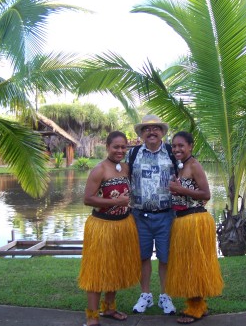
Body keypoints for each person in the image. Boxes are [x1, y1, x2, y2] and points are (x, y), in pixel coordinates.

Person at [78, 131, 141, 326]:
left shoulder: (126, 168)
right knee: (96, 271)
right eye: (116, 147)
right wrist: (115, 200)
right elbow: (88, 199)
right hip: (102, 226)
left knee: (114, 268)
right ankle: (92, 316)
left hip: (123, 225)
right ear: (107, 147)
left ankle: (109, 308)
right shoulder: (99, 170)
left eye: (123, 147)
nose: (120, 150)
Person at [167, 131, 224, 324]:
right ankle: (198, 304)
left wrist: (181, 189)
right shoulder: (181, 166)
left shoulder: (194, 165)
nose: (177, 149)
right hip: (184, 220)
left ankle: (195, 308)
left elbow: (206, 194)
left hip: (195, 220)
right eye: (174, 146)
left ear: (190, 146)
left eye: (181, 145)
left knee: (194, 264)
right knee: (189, 263)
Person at [127, 114, 177, 315]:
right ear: (141, 134)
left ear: (162, 132)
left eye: (156, 128)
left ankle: (165, 296)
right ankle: (146, 295)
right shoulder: (134, 154)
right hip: (140, 216)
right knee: (143, 257)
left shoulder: (173, 152)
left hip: (167, 215)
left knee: (166, 258)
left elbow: (187, 176)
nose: (151, 132)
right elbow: (123, 176)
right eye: (147, 129)